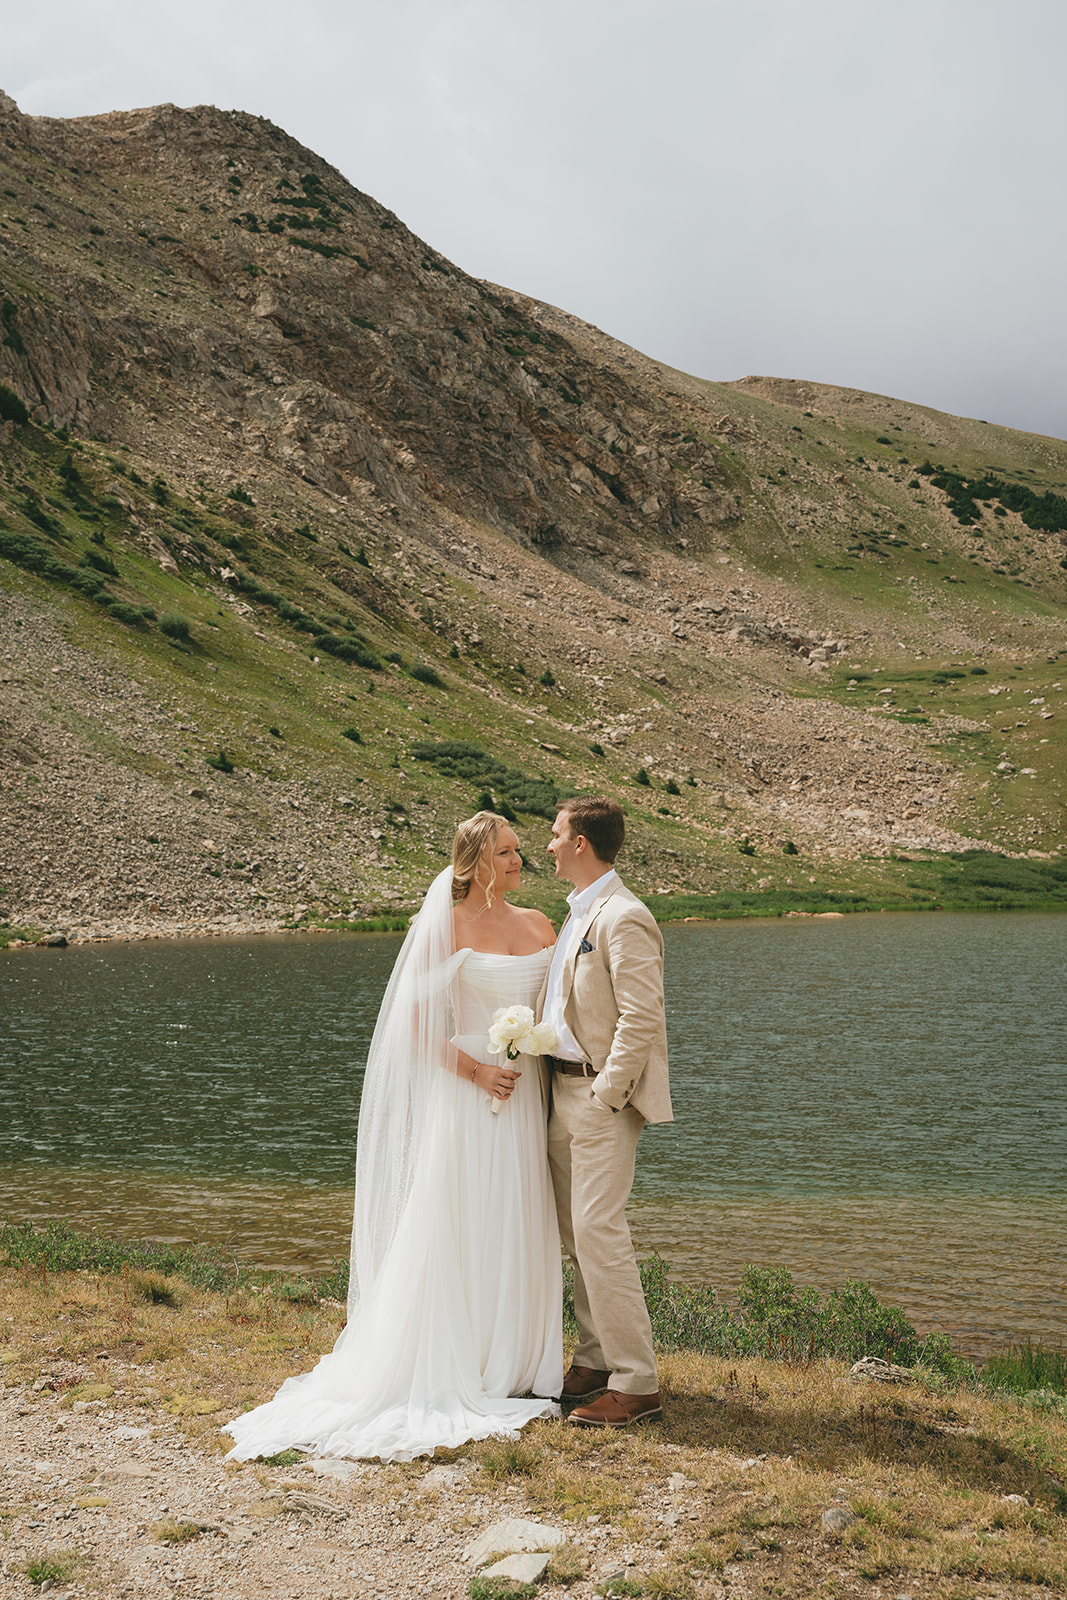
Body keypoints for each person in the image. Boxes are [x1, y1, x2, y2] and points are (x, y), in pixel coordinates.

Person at [224, 812, 562, 1463]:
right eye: (507, 852)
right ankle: (462, 1360)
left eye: (521, 850)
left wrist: (537, 1047)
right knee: (460, 1217)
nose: (520, 861)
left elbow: (555, 1009)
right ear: (475, 862)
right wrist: (476, 1070)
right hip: (471, 1093)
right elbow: (410, 1021)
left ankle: (517, 1360)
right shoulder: (446, 928)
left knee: (520, 1215)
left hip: (526, 1093)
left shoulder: (538, 924)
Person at [540, 795, 672, 1427]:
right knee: (574, 1236)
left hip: (598, 1098)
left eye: (556, 835)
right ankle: (594, 1359)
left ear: (582, 844)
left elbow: (642, 1017)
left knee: (599, 1231)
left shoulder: (624, 917)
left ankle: (637, 1380)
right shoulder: (576, 914)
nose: (548, 846)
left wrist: (606, 1093)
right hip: (558, 1093)